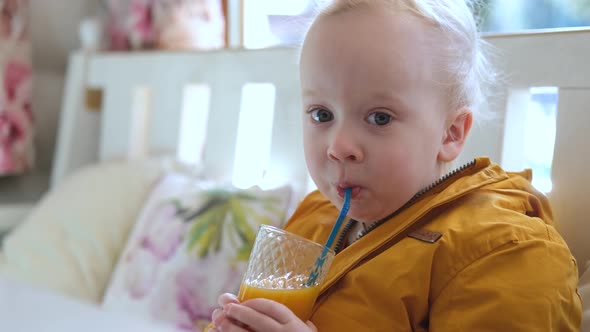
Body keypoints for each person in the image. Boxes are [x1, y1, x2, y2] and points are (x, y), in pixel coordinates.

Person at [209, 0, 582, 330]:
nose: (339, 147)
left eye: (379, 118)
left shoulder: (505, 254)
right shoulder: (315, 216)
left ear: (450, 133)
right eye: (322, 114)